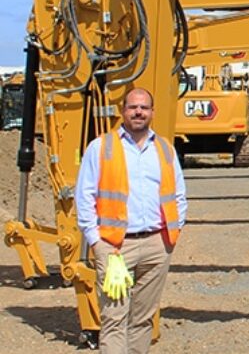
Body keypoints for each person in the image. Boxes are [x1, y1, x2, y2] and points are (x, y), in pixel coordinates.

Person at [75, 87, 188, 353]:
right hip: (115, 247)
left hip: (156, 245)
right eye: (133, 107)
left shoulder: (165, 149)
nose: (138, 112)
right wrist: (96, 242)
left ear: (152, 112)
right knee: (114, 319)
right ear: (123, 111)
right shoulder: (101, 147)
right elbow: (85, 197)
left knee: (143, 319)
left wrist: (172, 234)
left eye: (144, 108)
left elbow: (179, 195)